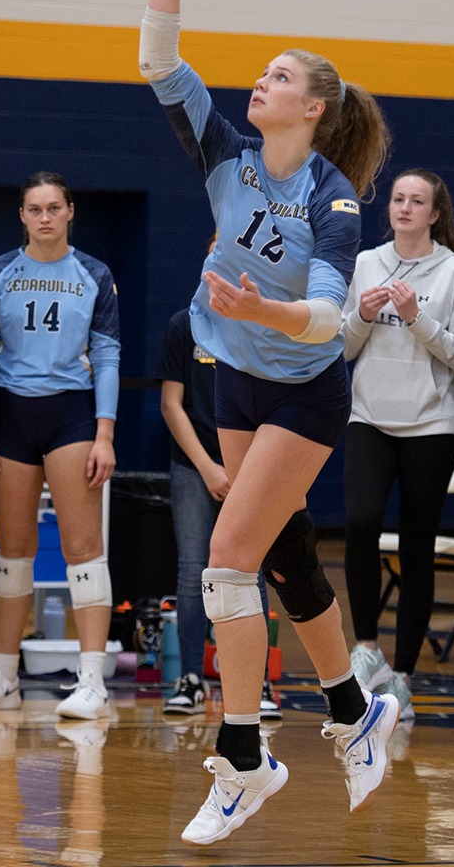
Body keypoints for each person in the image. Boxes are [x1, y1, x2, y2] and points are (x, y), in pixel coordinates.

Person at [142, 0, 400, 846]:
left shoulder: (334, 197)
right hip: (235, 379)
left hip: (302, 392)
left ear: (317, 107)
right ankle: (351, 712)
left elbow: (330, 323)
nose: (262, 83)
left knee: (226, 563)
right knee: (280, 553)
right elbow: (159, 58)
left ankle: (245, 758)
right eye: (262, 74)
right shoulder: (224, 154)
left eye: (281, 77)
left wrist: (264, 305)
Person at [0, 173, 122, 719]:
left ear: (70, 211)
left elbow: (106, 357)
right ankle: (3, 675)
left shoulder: (94, 273)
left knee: (81, 547)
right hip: (9, 414)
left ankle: (92, 680)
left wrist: (105, 433)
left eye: (55, 207)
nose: (46, 216)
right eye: (35, 208)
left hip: (72, 414)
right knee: (13, 549)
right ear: (23, 215)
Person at [340, 168, 454, 720]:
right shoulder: (366, 263)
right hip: (369, 416)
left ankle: (404, 674)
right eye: (397, 199)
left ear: (434, 213)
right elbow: (343, 348)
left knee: (416, 546)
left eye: (415, 200)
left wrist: (416, 318)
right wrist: (364, 314)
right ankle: (367, 647)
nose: (403, 208)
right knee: (359, 523)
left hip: (430, 425)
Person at [158, 299, 281, 719]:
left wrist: (247, 468)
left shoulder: (263, 323)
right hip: (193, 466)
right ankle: (190, 680)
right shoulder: (183, 323)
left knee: (250, 570)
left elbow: (272, 403)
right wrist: (209, 468)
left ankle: (257, 682)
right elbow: (171, 404)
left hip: (249, 464)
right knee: (193, 569)